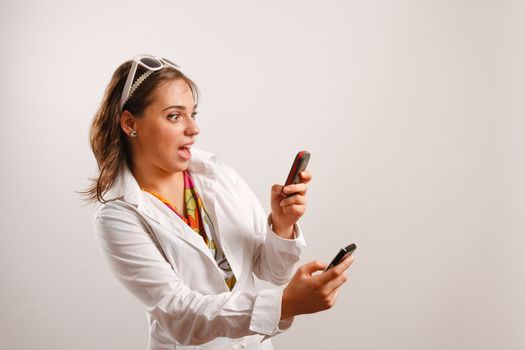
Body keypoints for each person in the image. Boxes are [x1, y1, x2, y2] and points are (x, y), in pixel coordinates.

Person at [85, 55, 354, 350]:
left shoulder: (216, 174)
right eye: (174, 116)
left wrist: (282, 224)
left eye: (193, 114)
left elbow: (271, 270)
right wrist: (284, 304)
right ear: (129, 123)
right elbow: (180, 315)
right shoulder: (118, 214)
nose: (193, 129)